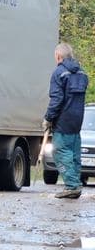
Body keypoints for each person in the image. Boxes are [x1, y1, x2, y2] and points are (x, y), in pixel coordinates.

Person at [43, 42, 89, 199]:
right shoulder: (82, 73)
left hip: (63, 120)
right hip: (77, 121)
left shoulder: (59, 73)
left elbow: (57, 98)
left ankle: (72, 186)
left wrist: (48, 118)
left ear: (58, 56)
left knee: (60, 151)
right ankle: (75, 184)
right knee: (74, 153)